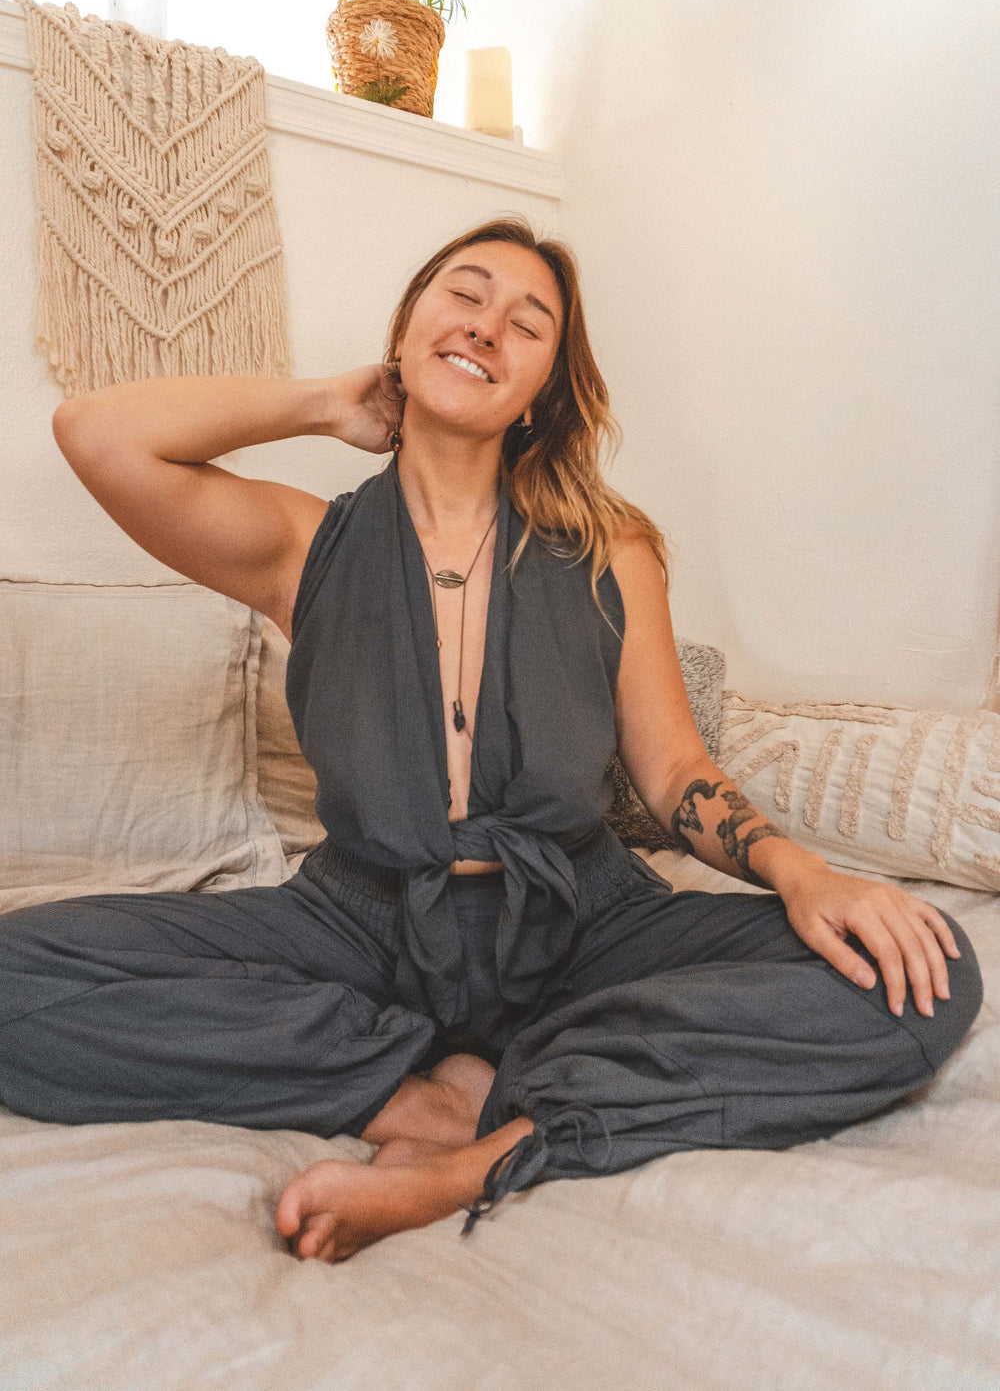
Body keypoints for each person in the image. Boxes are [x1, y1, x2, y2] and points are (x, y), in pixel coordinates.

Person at [5, 216, 983, 1266]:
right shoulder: (304, 543)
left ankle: (489, 1150)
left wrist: (804, 876)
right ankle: (413, 1097)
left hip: (578, 915)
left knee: (920, 973)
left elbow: (673, 773)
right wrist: (330, 402)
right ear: (408, 328)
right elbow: (95, 432)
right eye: (463, 296)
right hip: (361, 919)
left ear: (543, 390)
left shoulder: (612, 548)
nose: (485, 329)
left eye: (528, 325)